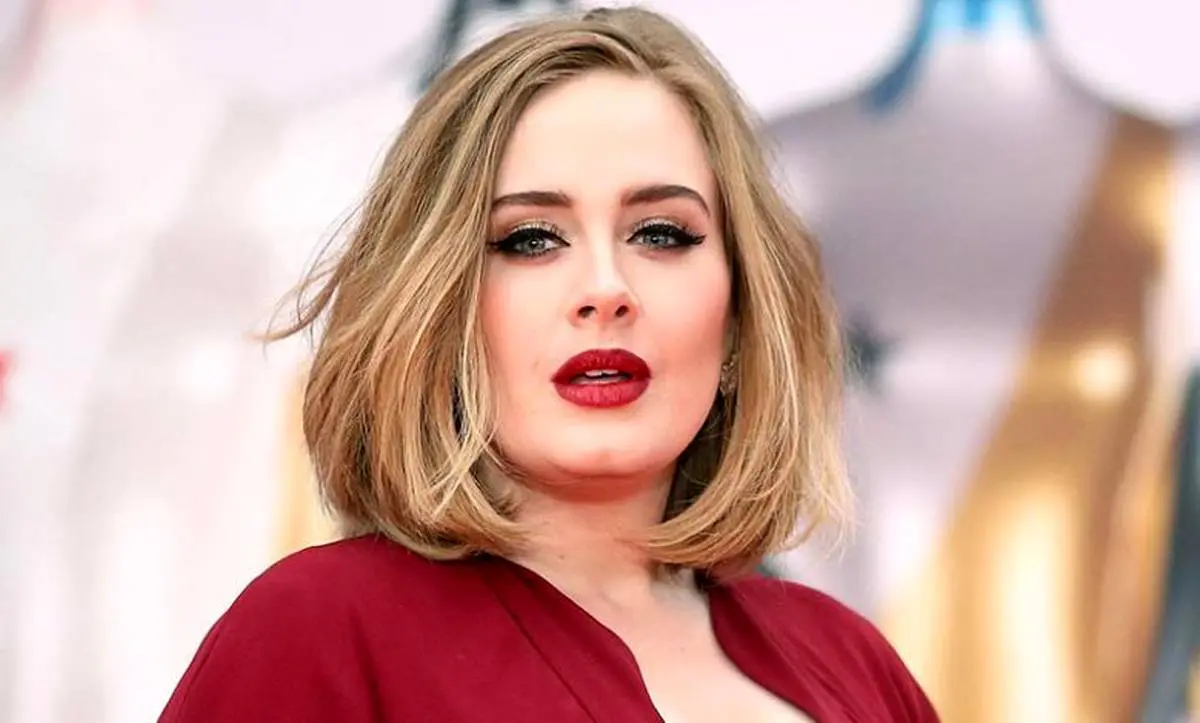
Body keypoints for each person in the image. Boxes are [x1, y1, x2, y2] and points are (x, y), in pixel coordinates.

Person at [160, 7, 939, 722]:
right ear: (438, 311)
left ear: (739, 320)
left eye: (662, 233)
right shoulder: (318, 628)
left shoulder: (850, 659)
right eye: (530, 239)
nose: (605, 288)